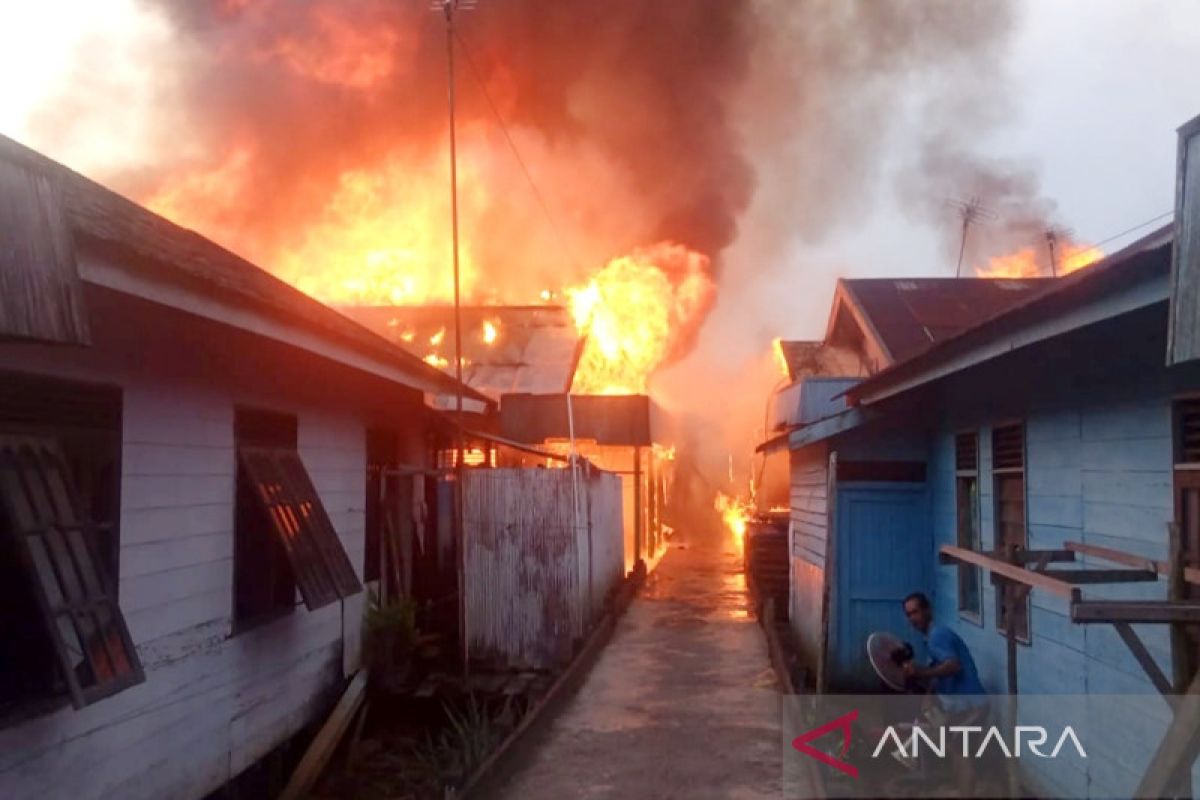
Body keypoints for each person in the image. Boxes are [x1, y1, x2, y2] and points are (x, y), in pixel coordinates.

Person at [900, 591, 988, 794]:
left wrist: (920, 672)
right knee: (955, 750)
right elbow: (939, 669)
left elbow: (953, 665)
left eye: (916, 612)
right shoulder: (932, 638)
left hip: (972, 705)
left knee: (960, 752)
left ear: (927, 610)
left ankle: (966, 793)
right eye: (909, 614)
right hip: (961, 707)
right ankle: (961, 791)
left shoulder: (938, 636)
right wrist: (929, 693)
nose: (913, 618)